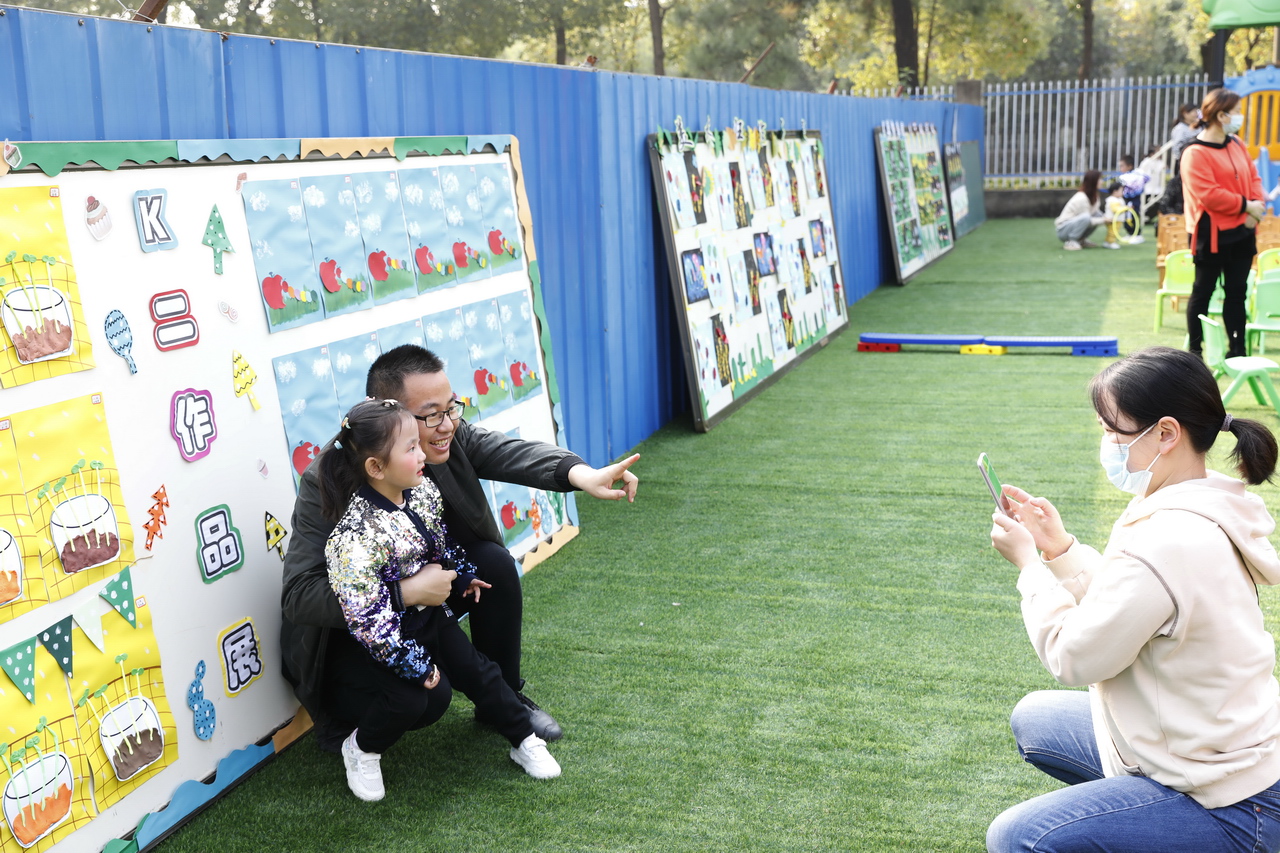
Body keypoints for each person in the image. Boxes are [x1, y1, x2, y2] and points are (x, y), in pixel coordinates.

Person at [986, 346, 1280, 853]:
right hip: (1215, 751)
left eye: (1112, 431)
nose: (1106, 443)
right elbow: (1131, 604)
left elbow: (1074, 656)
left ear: (1166, 433)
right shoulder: (1203, 500)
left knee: (1020, 837)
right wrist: (1060, 549)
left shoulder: (1167, 539)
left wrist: (1030, 568)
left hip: (1234, 803)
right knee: (1035, 717)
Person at [280, 345, 640, 754]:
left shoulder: (445, 432)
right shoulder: (327, 479)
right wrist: (404, 593)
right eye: (432, 414)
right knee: (430, 700)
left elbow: (509, 452)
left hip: (427, 603)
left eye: (452, 408)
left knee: (493, 565)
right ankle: (349, 721)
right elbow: (299, 596)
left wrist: (581, 473)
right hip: (359, 629)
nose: (448, 424)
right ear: (389, 415)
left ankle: (502, 699)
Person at [319, 398, 560, 801]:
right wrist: (416, 666)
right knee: (406, 699)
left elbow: (440, 543)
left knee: (480, 671)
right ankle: (361, 749)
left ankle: (523, 738)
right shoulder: (352, 537)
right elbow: (367, 621)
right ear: (376, 467)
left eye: (419, 444)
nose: (422, 455)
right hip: (388, 636)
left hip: (430, 615)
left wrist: (462, 574)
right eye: (411, 448)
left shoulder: (422, 491)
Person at [1181, 87, 1266, 358]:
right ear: (1221, 115)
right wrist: (1246, 206)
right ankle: (1195, 353)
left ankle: (1237, 350)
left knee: (1237, 293)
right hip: (1211, 235)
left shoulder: (1236, 143)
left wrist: (1255, 209)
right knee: (1202, 293)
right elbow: (1209, 194)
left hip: (1243, 231)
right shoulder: (1195, 152)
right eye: (1237, 112)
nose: (1241, 117)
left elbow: (1253, 176)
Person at [1054, 170, 1105, 251]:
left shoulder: (1095, 196)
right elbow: (1087, 220)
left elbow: (1095, 215)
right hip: (1064, 230)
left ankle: (1081, 240)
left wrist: (1106, 218)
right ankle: (1071, 241)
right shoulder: (1081, 197)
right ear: (1093, 181)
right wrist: (1104, 220)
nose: (1102, 182)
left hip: (1077, 223)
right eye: (1099, 179)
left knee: (1098, 215)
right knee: (1086, 217)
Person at [1102, 181, 1127, 249]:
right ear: (1115, 191)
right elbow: (1116, 209)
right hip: (1112, 220)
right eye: (1121, 191)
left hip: (1117, 220)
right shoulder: (1113, 200)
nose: (1123, 192)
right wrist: (1126, 208)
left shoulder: (1118, 199)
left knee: (1113, 231)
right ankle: (1111, 242)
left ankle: (1107, 242)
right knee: (1113, 232)